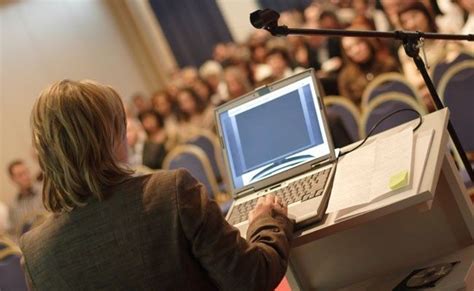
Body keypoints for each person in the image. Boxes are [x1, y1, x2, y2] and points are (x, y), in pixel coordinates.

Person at [21, 79, 293, 290]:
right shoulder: (170, 192)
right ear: (108, 135)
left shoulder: (35, 252)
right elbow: (251, 278)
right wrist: (266, 222)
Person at [338, 32, 400, 107]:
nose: (356, 50)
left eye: (358, 43)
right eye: (349, 49)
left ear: (367, 42)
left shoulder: (388, 65)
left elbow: (402, 93)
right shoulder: (345, 78)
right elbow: (351, 110)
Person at [7, 160, 45, 237]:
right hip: (29, 244)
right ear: (12, 179)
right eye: (20, 175)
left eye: (26, 172)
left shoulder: (44, 191)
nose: (25, 177)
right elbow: (15, 233)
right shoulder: (13, 206)